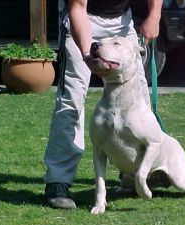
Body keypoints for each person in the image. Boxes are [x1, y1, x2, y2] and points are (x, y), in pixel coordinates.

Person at [44, 0, 163, 209]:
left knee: (140, 98)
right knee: (71, 100)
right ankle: (58, 182)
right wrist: (88, 56)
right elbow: (78, 8)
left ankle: (133, 175)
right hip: (83, 17)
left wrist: (154, 16)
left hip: (121, 22)